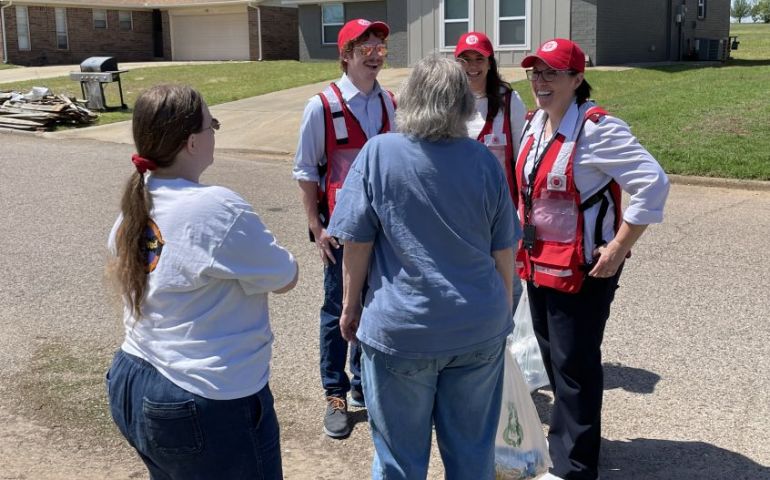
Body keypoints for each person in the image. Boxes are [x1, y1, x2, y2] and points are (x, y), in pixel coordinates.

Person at [327, 53, 521, 479]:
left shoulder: (379, 153)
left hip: (402, 330)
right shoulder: (483, 161)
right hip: (477, 328)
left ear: (409, 99)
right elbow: (503, 249)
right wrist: (503, 310)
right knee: (473, 455)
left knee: (399, 460)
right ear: (463, 105)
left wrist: (349, 305)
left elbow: (356, 242)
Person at [105, 84, 298, 480]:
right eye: (213, 125)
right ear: (192, 142)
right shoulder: (215, 207)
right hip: (201, 395)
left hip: (132, 378)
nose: (214, 133)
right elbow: (285, 276)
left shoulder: (135, 206)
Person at [515, 39, 670, 480]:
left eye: (551, 74)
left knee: (575, 367)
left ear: (577, 79)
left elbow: (653, 184)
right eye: (535, 73)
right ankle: (565, 446)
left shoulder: (599, 130)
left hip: (583, 271)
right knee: (554, 363)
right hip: (540, 264)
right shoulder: (535, 125)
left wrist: (619, 247)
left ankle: (576, 468)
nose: (540, 82)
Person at [292, 18, 396, 439]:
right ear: (346, 56)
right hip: (339, 230)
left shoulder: (390, 102)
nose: (374, 54)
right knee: (337, 309)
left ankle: (360, 384)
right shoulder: (322, 106)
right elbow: (304, 170)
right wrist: (315, 226)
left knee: (370, 306)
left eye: (379, 47)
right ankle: (335, 393)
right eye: (364, 47)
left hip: (382, 228)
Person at [454, 31, 527, 308]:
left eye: (479, 59)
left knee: (509, 282)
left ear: (490, 62)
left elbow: (522, 160)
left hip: (501, 211)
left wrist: (521, 211)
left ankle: (512, 343)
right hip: (460, 211)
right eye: (465, 59)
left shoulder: (509, 101)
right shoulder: (450, 101)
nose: (472, 67)